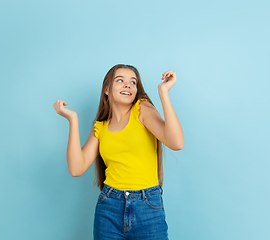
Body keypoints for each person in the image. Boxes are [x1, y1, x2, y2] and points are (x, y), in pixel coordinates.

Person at [53, 64, 184, 240]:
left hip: (147, 206)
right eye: (120, 80)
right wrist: (73, 119)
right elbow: (76, 168)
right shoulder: (101, 127)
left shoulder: (142, 110)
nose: (128, 85)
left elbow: (176, 143)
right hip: (109, 206)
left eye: (133, 82)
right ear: (107, 89)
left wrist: (163, 92)